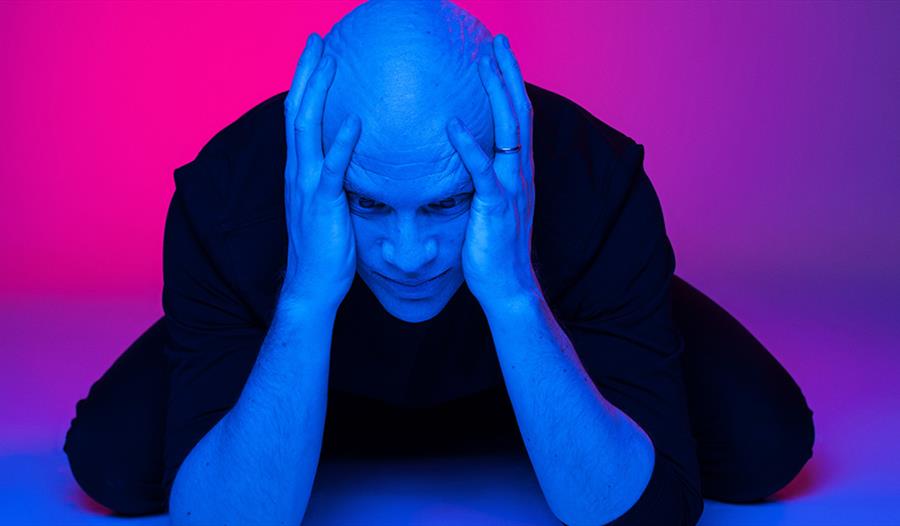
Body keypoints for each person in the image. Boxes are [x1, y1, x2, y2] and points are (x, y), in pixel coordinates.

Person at [62, 1, 815, 524]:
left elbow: (646, 516)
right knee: (113, 463)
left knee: (765, 447)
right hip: (314, 348)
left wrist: (517, 295)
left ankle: (526, 393)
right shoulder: (226, 197)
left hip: (552, 329)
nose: (409, 254)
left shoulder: (595, 185)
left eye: (449, 205)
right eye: (366, 204)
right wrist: (303, 299)